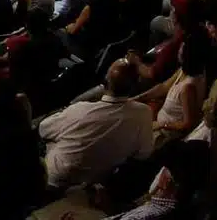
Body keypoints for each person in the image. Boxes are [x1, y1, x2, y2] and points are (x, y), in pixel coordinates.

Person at [38, 59, 153, 191]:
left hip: (55, 179)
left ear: (106, 82)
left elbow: (43, 129)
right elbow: (144, 153)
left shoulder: (80, 110)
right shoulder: (143, 113)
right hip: (94, 180)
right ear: (136, 83)